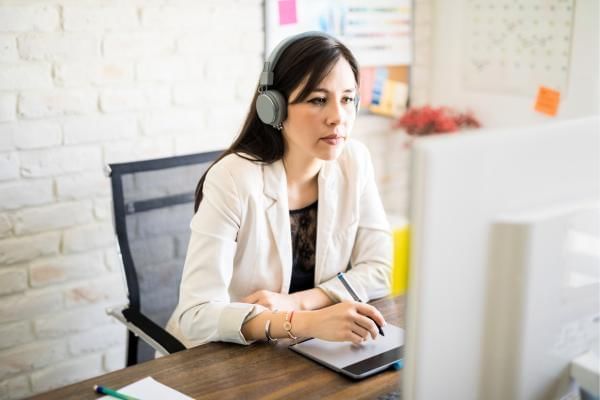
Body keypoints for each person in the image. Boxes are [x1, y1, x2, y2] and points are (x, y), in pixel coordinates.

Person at [166, 31, 392, 347]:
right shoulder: (232, 179)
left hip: (310, 346)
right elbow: (197, 315)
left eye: (347, 99)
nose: (338, 117)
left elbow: (379, 270)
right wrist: (303, 322)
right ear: (273, 108)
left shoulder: (355, 160)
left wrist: (302, 303)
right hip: (223, 354)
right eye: (318, 100)